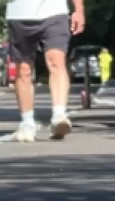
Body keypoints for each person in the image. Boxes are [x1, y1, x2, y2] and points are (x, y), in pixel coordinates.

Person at [7, 0, 85, 141]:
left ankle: (59, 115)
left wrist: (78, 10)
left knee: (56, 60)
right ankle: (27, 122)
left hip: (55, 13)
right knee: (23, 69)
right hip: (19, 15)